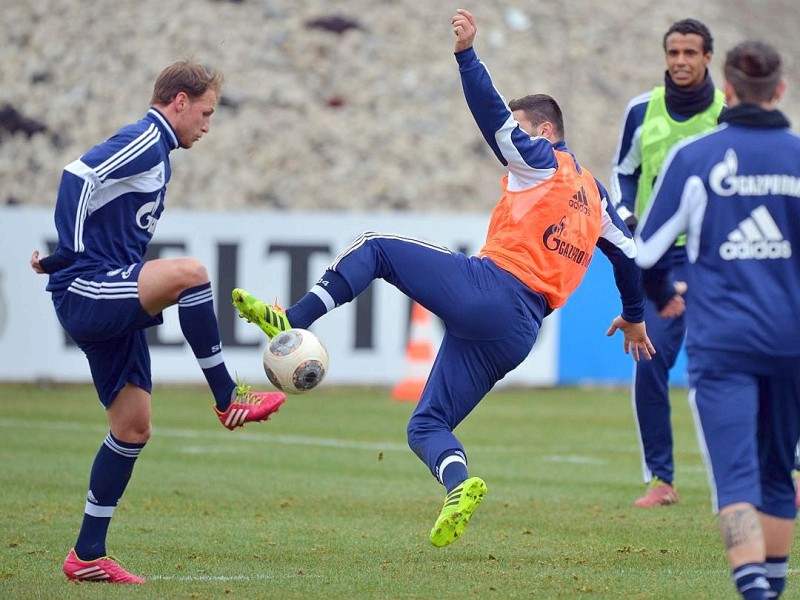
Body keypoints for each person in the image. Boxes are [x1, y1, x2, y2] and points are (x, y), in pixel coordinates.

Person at [233, 8, 655, 548]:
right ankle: (459, 485)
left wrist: (466, 55)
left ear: (546, 132)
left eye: (525, 129)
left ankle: (288, 319)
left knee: (377, 247)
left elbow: (492, 115)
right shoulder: (595, 197)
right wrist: (636, 317)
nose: (516, 142)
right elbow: (630, 257)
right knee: (425, 427)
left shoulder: (543, 159)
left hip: (495, 289)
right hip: (519, 333)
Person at [30, 60, 286, 584]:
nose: (207, 126)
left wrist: (65, 252)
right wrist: (71, 253)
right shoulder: (146, 138)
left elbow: (97, 200)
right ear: (179, 102)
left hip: (104, 292)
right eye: (206, 113)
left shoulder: (160, 152)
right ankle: (227, 398)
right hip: (89, 287)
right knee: (191, 274)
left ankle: (87, 556)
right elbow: (77, 176)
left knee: (132, 428)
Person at [635, 40, 800, 599]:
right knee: (779, 477)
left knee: (735, 479)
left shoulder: (697, 158)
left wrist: (662, 295)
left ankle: (754, 590)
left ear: (727, 90)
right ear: (779, 90)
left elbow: (647, 253)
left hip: (724, 343)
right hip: (792, 344)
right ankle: (768, 590)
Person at [610, 18, 725, 507]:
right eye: (673, 52)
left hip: (718, 259)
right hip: (662, 260)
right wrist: (630, 215)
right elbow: (624, 170)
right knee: (649, 355)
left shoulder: (729, 113)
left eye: (690, 52)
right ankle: (661, 479)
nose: (680, 60)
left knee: (750, 360)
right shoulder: (641, 110)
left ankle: (786, 468)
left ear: (707, 58)